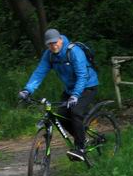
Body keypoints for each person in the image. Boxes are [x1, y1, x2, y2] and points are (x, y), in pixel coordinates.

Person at [18, 29, 99, 162]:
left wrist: (76, 95)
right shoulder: (49, 55)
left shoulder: (74, 52)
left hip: (87, 86)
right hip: (70, 89)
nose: (53, 46)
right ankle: (83, 138)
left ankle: (81, 148)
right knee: (61, 116)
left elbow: (82, 75)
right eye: (50, 44)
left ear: (60, 40)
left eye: (55, 42)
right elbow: (39, 73)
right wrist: (27, 90)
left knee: (75, 111)